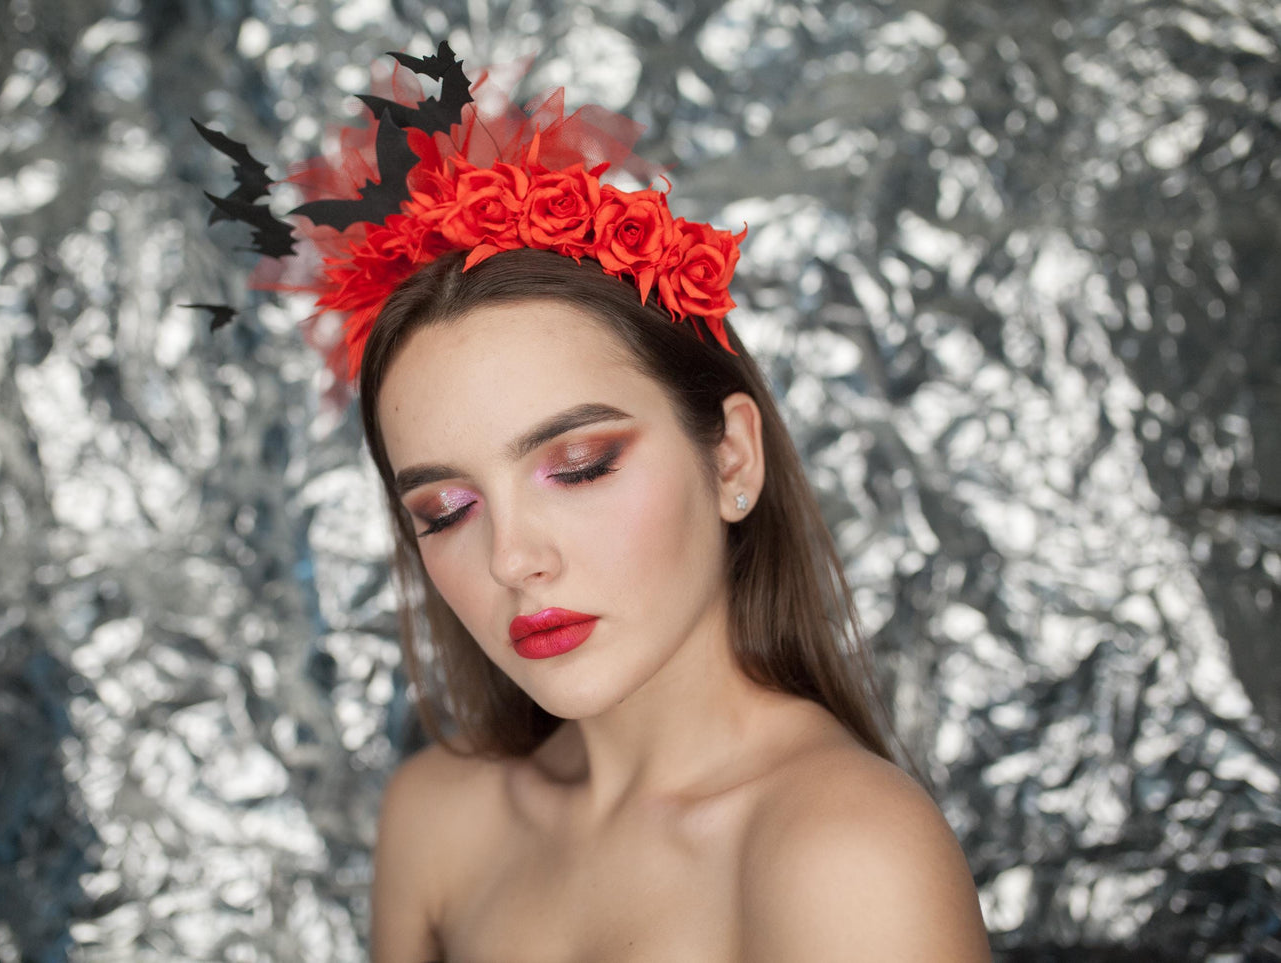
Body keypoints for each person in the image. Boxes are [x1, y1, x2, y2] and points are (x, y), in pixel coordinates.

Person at [200, 43, 990, 963]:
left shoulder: (848, 856)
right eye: (445, 509)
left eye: (576, 465)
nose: (510, 557)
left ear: (731, 456)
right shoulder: (437, 821)